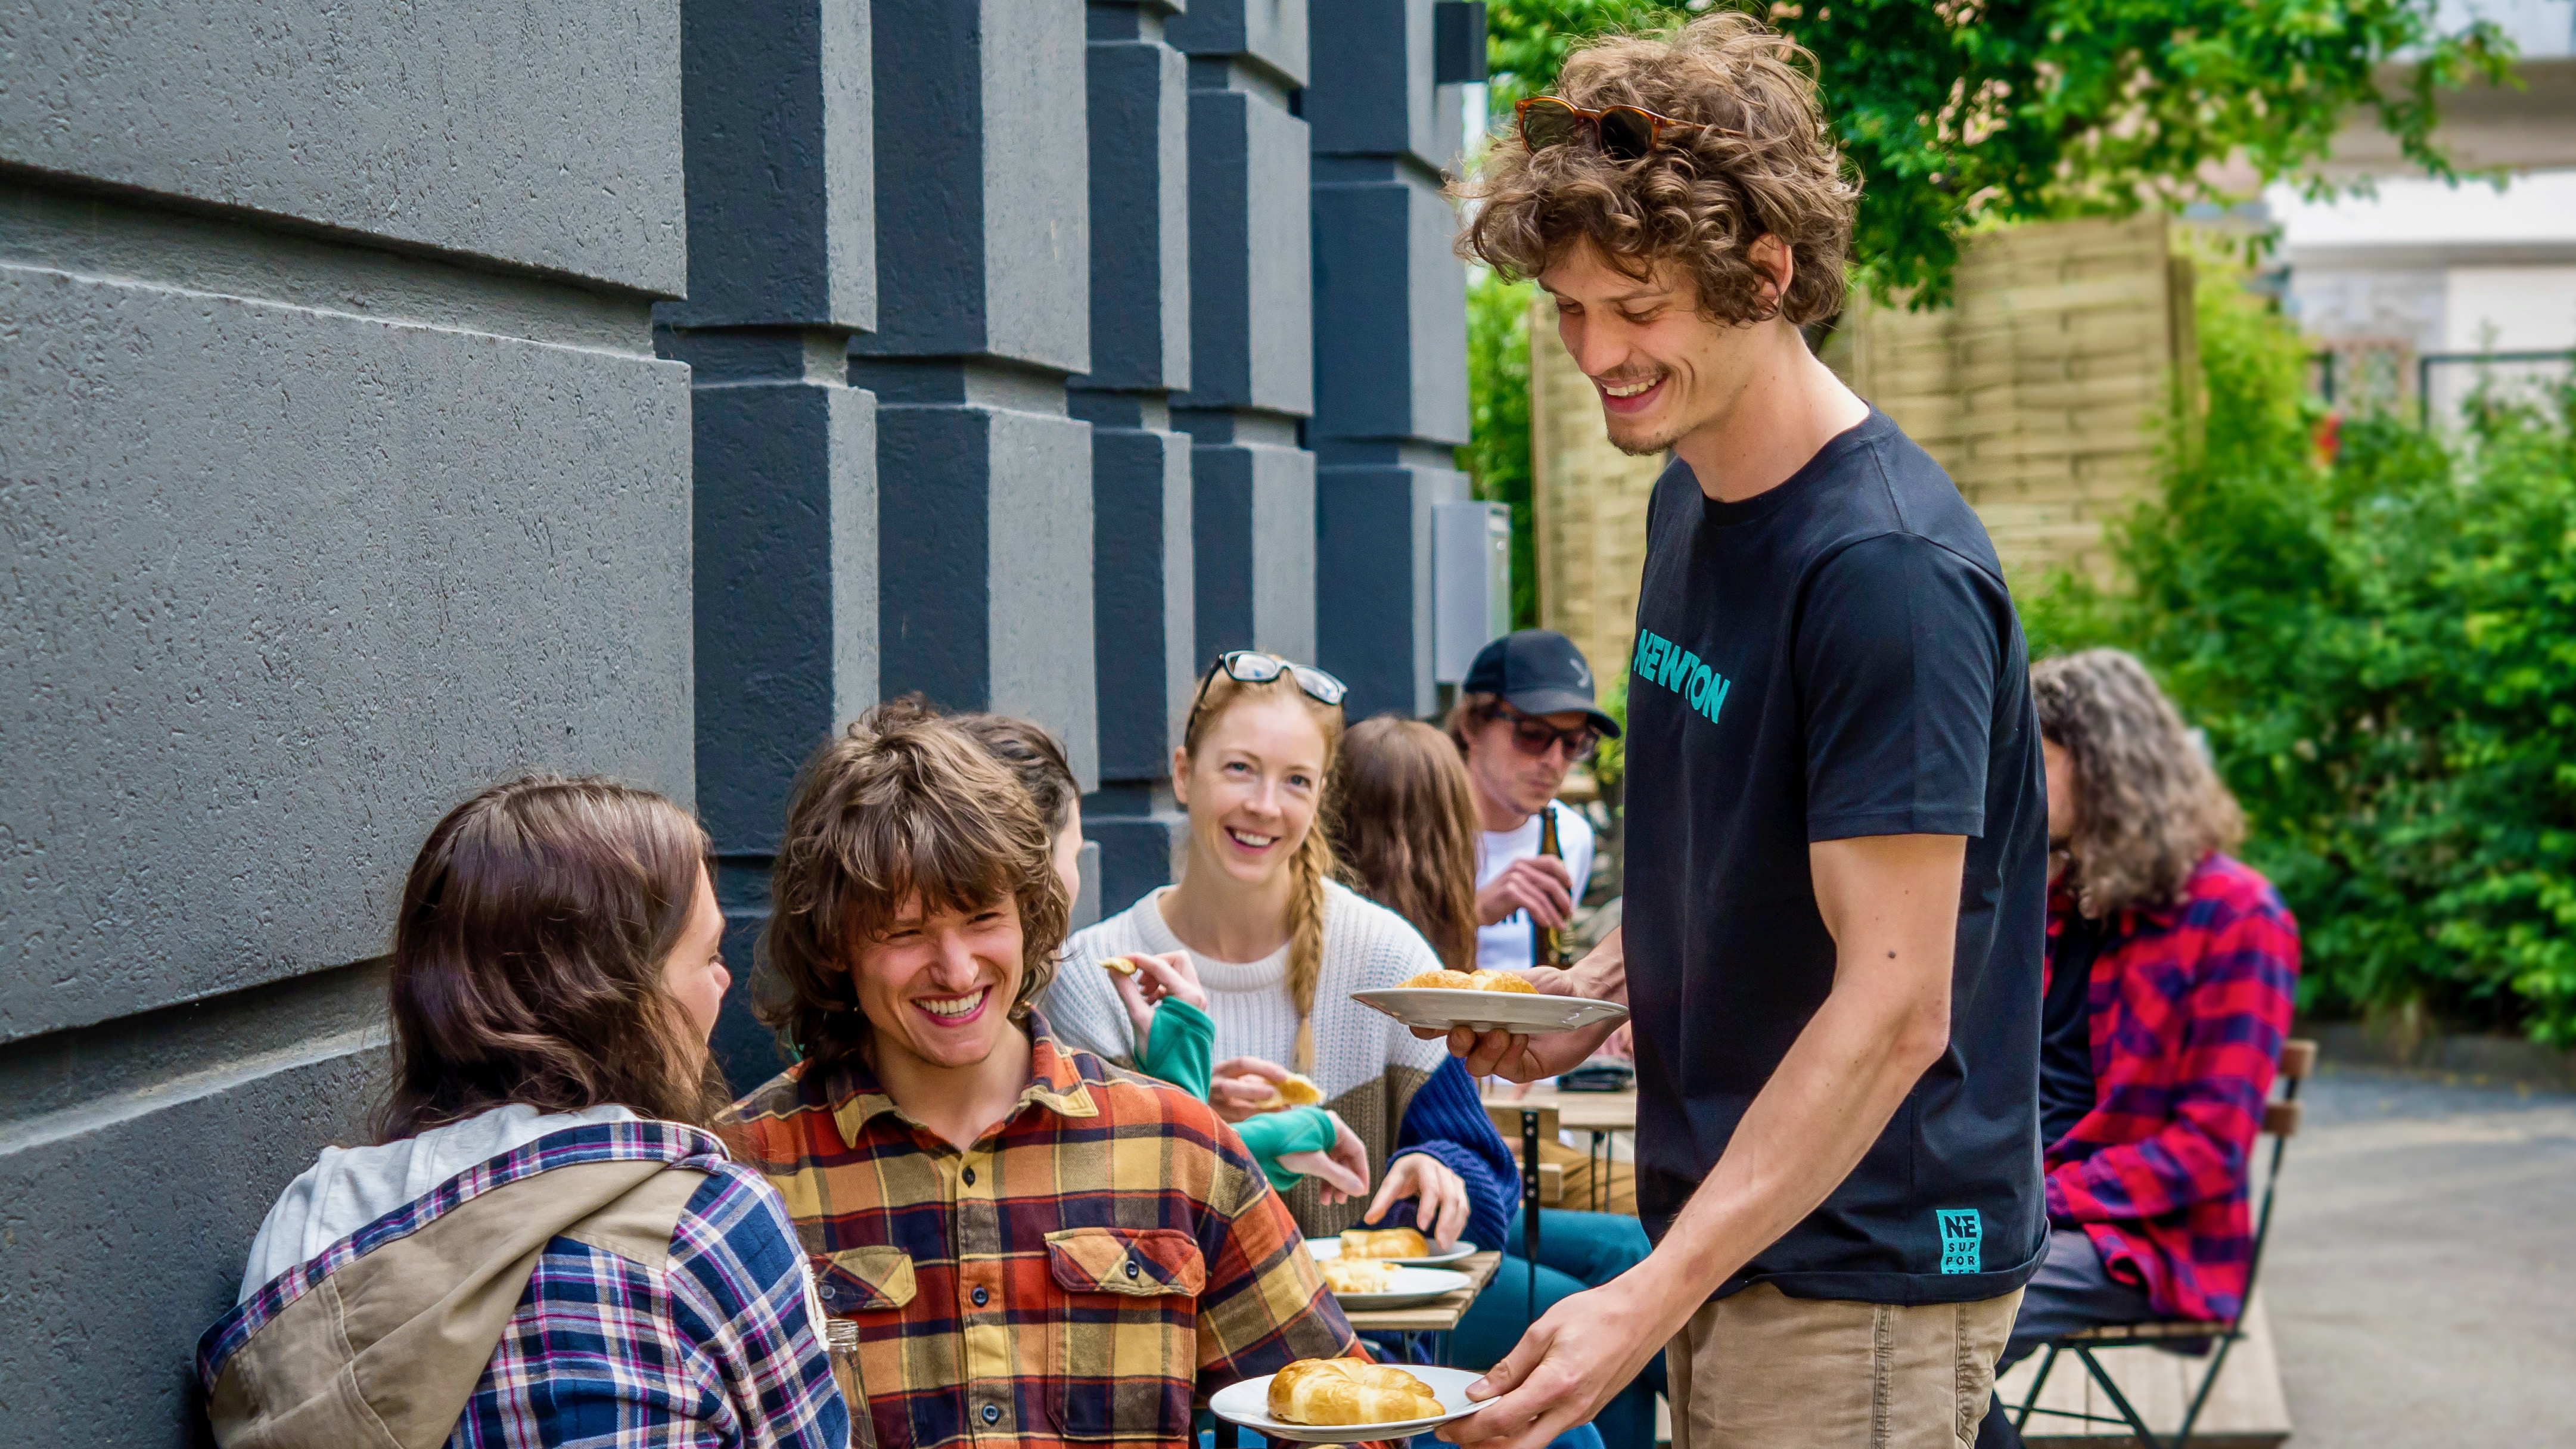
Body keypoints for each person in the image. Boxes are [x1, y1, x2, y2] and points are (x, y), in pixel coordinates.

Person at [1437, 14, 2050, 1449]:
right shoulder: (1690, 496)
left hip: (1860, 1269)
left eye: (1635, 306)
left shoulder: (1885, 575)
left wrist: (1648, 1293)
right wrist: (1602, 983)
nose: (1596, 353)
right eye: (1571, 309)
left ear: (1766, 272)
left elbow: (1896, 1005)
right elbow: (1746, 856)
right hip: (1737, 1226)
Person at [728, 704, 1375, 1449]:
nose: (958, 969)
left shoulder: (1176, 1146)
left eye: (981, 918)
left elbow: (1348, 1419)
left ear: (1031, 912)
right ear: (836, 942)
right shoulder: (751, 1172)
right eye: (905, 931)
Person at [198, 778, 848, 1449]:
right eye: (708, 954)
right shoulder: (708, 1226)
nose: (724, 980)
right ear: (616, 995)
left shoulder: (306, 1226)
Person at [1045, 653, 1521, 1255]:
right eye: (1241, 768)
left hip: (1365, 1347)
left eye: (1296, 779)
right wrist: (1186, 1115)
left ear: (1322, 794)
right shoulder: (1095, 975)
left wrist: (1438, 1169)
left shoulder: (1386, 959)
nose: (1266, 805)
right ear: (1184, 775)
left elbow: (1489, 1188)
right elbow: (1071, 1215)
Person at [1974, 651, 2300, 1448]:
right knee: (1861, 1287)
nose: (2012, 774)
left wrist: (2036, 1201)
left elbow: (2205, 1148)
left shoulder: (2234, 916)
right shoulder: (2046, 902)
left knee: (1943, 1317)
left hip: (2143, 1241)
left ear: (2102, 762)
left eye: (2033, 753)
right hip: (2014, 1213)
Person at [1329, 715, 1667, 1449]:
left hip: (1461, 1201)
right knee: (1597, 1307)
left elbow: (1473, 1159)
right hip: (1393, 1242)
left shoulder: (1424, 947)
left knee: (1629, 1261)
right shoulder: (1377, 954)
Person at [955, 704, 1368, 1201]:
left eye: (1297, 780)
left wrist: (1183, 1095)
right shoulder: (1037, 997)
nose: (1263, 804)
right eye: (1075, 850)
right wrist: (1198, 1094)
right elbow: (1119, 1200)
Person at [1446, 630, 1618, 973]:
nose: (1555, 761)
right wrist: (1473, 914)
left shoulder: (1572, 835)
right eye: (1533, 734)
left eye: (1574, 743)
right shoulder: (1419, 825)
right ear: (1472, 725)